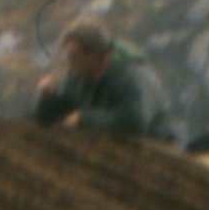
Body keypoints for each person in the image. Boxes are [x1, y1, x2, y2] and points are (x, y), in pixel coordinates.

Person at [30, 13, 172, 142]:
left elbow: (134, 122)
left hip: (156, 147)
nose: (69, 61)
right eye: (67, 54)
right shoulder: (76, 76)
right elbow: (59, 112)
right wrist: (47, 96)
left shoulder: (133, 76)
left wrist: (85, 119)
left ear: (95, 55)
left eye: (73, 55)